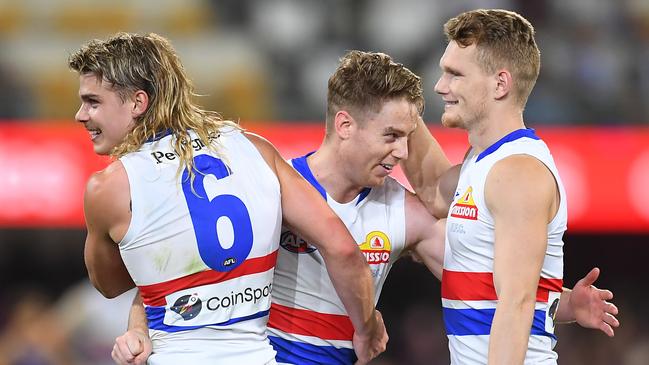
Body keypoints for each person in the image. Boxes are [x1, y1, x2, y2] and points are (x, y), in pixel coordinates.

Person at [112, 50, 619, 365]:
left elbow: (484, 286)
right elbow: (174, 275)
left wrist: (563, 308)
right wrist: (137, 330)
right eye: (392, 136)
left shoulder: (403, 214)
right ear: (346, 124)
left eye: (408, 137)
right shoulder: (267, 187)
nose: (402, 153)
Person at [70, 32, 387, 364]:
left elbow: (110, 284)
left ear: (138, 102)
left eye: (93, 102)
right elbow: (343, 248)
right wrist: (366, 329)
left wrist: (141, 320)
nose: (81, 114)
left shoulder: (109, 186)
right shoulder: (255, 148)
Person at [402, 9, 617, 364]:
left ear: (500, 84)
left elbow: (515, 305)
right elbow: (432, 192)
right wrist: (400, 99)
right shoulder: (484, 163)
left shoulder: (517, 173)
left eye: (455, 74)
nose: (440, 86)